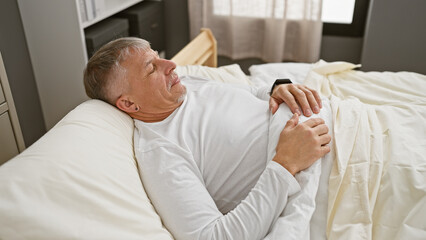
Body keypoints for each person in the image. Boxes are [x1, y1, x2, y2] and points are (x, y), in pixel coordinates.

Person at [83, 38, 331, 240]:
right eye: (151, 68)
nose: (170, 64)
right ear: (128, 103)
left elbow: (250, 92)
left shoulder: (185, 85)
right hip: (325, 167)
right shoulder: (162, 152)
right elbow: (211, 236)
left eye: (158, 55)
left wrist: (276, 89)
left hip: (329, 119)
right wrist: (285, 164)